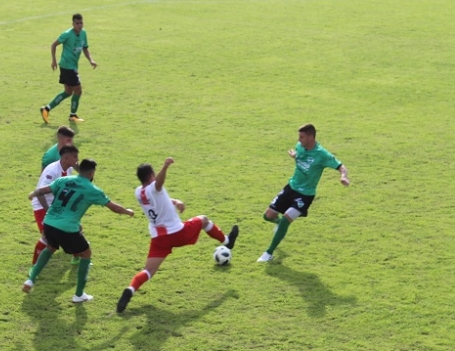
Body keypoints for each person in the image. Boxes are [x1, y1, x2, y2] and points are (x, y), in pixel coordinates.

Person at [116, 158, 239, 313]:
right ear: (152, 175)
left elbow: (159, 198)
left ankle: (130, 290)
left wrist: (175, 201)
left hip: (158, 238)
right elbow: (158, 184)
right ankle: (227, 241)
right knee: (203, 220)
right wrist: (165, 167)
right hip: (177, 233)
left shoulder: (138, 192)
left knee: (148, 270)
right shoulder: (155, 186)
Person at [23, 159, 134, 302]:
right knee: (86, 253)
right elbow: (114, 207)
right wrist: (128, 211)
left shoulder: (64, 180)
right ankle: (79, 294)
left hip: (49, 222)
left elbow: (43, 190)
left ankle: (30, 280)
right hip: (67, 228)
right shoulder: (92, 189)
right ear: (92, 172)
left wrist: (33, 193)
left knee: (50, 248)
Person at [258, 123, 349, 263]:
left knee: (286, 220)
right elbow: (301, 157)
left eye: (302, 137)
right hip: (290, 187)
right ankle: (279, 224)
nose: (299, 140)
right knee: (267, 216)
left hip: (305, 195)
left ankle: (268, 253)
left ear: (311, 137)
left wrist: (343, 176)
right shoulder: (299, 146)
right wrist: (295, 156)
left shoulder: (322, 154)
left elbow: (341, 166)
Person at [40, 13, 97, 124]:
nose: (79, 25)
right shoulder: (67, 34)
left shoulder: (83, 33)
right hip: (67, 66)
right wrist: (53, 60)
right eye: (77, 23)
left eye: (81, 23)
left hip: (71, 66)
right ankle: (73, 115)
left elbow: (85, 48)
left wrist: (91, 60)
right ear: (73, 24)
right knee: (78, 91)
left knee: (68, 91)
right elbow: (54, 45)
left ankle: (46, 109)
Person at [30, 144, 78, 264]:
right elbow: (40, 193)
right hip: (42, 206)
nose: (77, 160)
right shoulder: (52, 171)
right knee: (47, 237)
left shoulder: (69, 167)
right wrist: (49, 212)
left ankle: (78, 256)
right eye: (75, 157)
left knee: (73, 228)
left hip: (57, 203)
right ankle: (34, 267)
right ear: (66, 158)